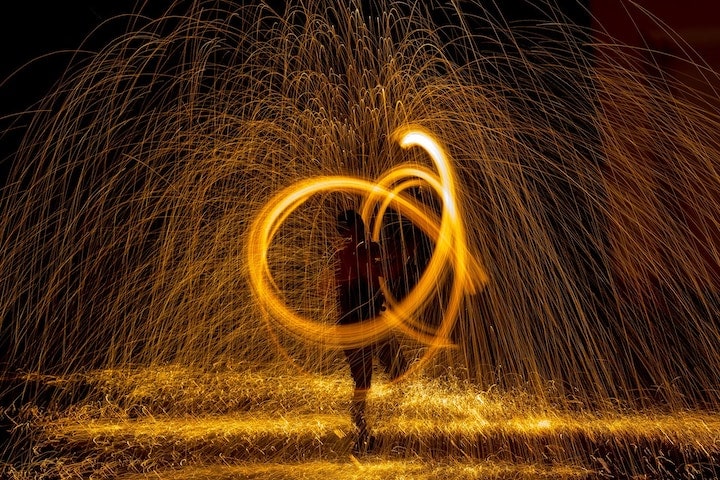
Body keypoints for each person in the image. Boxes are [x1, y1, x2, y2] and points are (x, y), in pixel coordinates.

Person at [334, 209, 407, 454]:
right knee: (368, 381)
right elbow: (389, 270)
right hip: (359, 328)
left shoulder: (349, 254)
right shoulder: (358, 253)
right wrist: (401, 252)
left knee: (391, 373)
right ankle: (364, 434)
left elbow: (386, 269)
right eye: (357, 228)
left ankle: (376, 431)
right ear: (351, 230)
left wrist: (396, 253)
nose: (361, 232)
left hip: (363, 326)